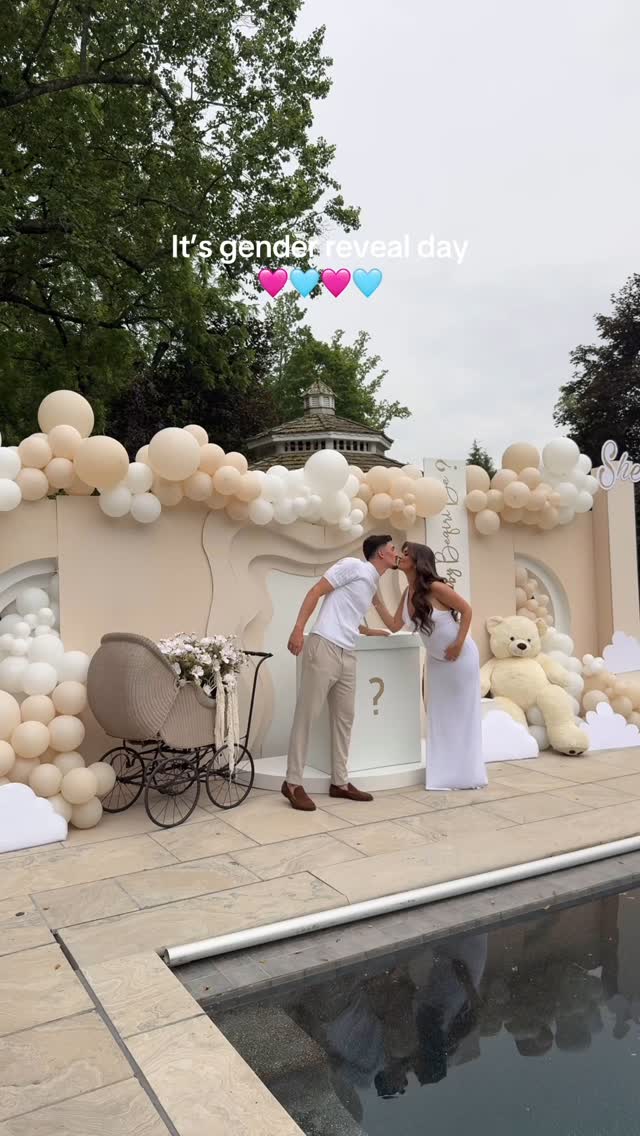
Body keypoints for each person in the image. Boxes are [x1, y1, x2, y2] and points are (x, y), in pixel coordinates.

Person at [283, 534, 397, 811]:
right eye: (394, 549)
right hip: (324, 645)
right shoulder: (352, 566)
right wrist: (298, 629)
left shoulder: (371, 583)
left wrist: (370, 631)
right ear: (381, 553)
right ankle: (293, 783)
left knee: (345, 719)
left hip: (348, 653)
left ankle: (340, 783)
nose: (398, 553)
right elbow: (316, 591)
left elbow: (350, 617)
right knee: (307, 716)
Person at [373, 541, 487, 790]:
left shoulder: (435, 587)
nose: (401, 556)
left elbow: (466, 610)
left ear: (418, 561)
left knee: (462, 715)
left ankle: (468, 775)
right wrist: (376, 602)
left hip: (460, 658)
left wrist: (458, 644)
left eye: (406, 553)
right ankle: (443, 775)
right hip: (437, 662)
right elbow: (395, 626)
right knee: (440, 716)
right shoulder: (407, 593)